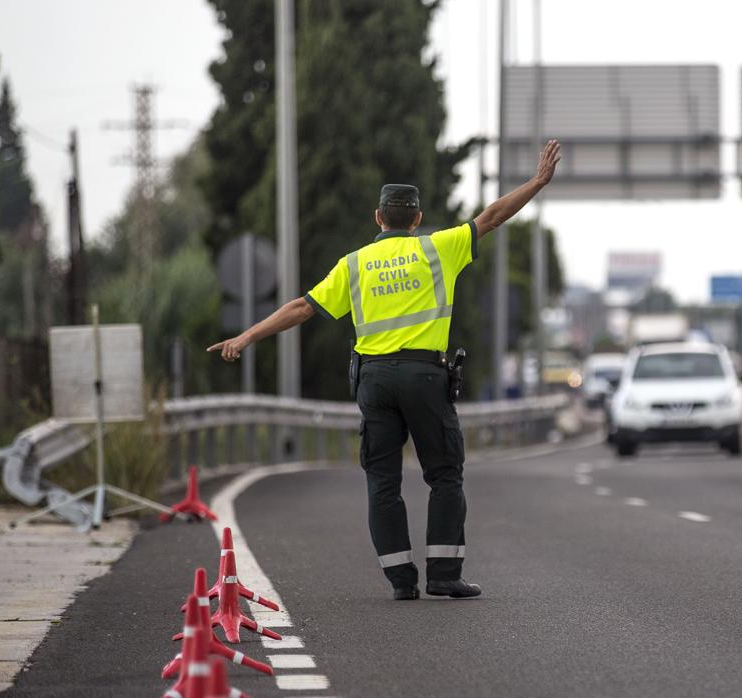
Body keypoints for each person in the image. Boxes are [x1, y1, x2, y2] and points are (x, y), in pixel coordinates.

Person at [208, 139, 562, 600]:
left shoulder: (354, 265)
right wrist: (536, 182)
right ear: (416, 219)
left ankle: (401, 581)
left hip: (374, 382)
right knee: (444, 475)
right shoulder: (441, 248)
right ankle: (443, 574)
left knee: (382, 481)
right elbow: (492, 216)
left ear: (378, 218)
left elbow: (301, 308)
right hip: (424, 378)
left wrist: (246, 337)